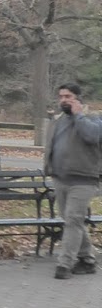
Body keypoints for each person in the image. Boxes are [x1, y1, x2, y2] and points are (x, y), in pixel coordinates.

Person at [43, 80, 100, 280]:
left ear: (78, 99)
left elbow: (92, 137)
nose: (64, 100)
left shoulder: (93, 119)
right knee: (72, 220)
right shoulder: (58, 121)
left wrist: (79, 115)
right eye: (61, 97)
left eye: (68, 97)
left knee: (73, 220)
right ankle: (87, 260)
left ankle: (64, 264)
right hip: (60, 178)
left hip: (83, 180)